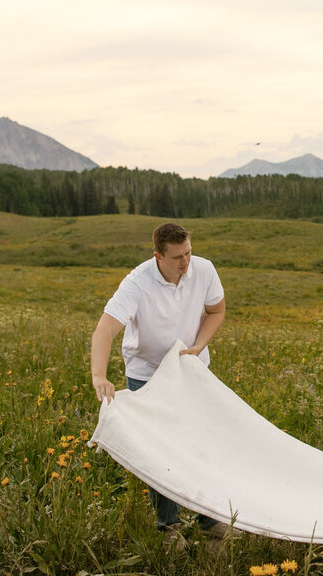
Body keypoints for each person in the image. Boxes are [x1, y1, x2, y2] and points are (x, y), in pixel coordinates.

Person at [90, 221, 230, 537]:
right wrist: (99, 375)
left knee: (199, 443)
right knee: (162, 450)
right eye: (178, 256)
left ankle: (210, 521)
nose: (186, 262)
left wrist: (198, 347)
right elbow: (105, 329)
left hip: (190, 369)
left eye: (189, 253)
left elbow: (216, 312)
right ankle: (168, 527)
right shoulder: (137, 283)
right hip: (148, 374)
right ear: (158, 257)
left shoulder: (204, 271)